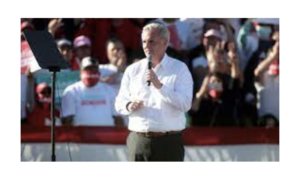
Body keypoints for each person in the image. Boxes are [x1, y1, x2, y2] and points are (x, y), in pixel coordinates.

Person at [115, 22, 193, 161]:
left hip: (168, 142)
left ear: (165, 42)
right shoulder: (133, 70)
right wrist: (128, 106)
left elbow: (185, 104)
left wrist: (160, 86)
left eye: (151, 41)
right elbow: (120, 102)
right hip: (139, 140)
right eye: (144, 41)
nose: (146, 46)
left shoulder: (179, 69)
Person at [61, 56, 122, 126]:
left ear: (99, 72)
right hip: (81, 134)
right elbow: (67, 120)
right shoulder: (71, 91)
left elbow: (117, 117)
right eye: (88, 69)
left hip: (106, 134)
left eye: (94, 69)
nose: (91, 72)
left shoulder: (108, 90)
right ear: (80, 72)